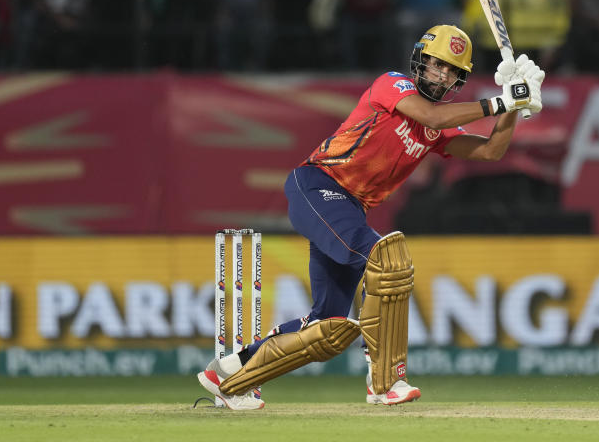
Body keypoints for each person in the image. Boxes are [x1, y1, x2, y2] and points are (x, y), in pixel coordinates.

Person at [196, 24, 545, 410]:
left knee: (326, 329)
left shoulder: (435, 129)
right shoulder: (392, 85)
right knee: (386, 258)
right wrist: (500, 101)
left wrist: (515, 107)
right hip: (318, 184)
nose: (442, 74)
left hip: (349, 208)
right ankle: (385, 382)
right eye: (436, 64)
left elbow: (490, 151)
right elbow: (430, 114)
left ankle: (228, 373)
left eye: (451, 71)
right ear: (420, 61)